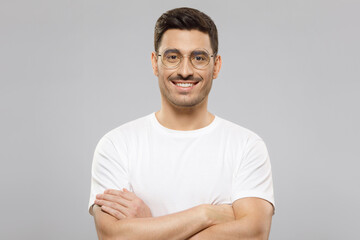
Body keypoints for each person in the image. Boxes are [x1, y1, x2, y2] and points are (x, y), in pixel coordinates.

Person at [88, 7, 275, 240]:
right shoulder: (116, 145)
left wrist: (149, 227)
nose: (185, 71)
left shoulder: (246, 146)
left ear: (215, 66)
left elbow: (255, 233)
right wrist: (206, 213)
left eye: (198, 58)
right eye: (172, 57)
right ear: (155, 63)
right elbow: (113, 236)